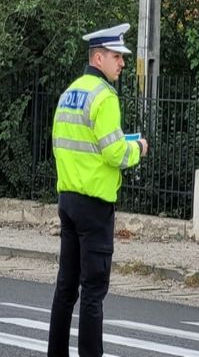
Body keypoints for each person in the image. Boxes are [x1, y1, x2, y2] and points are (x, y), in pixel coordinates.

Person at [47, 22, 148, 357]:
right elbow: (114, 152)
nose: (121, 63)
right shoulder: (105, 97)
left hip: (68, 200)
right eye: (117, 56)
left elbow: (63, 145)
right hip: (94, 205)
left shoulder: (69, 93)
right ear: (100, 56)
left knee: (66, 287)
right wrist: (139, 149)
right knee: (93, 290)